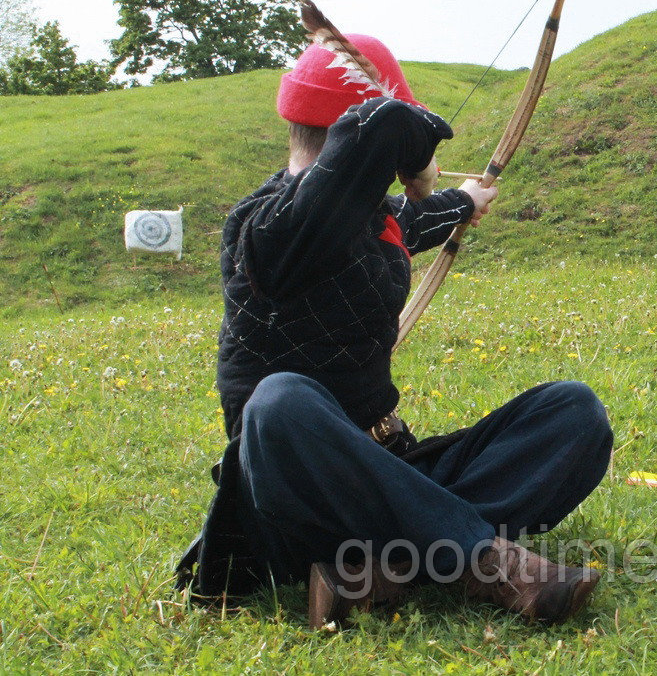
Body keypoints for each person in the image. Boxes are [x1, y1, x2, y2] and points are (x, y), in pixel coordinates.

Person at [175, 31, 614, 629]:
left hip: (391, 464)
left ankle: (377, 565)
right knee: (278, 402)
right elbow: (340, 185)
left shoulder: (368, 216)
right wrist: (409, 147)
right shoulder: (267, 227)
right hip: (298, 491)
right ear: (362, 141)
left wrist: (463, 199)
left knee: (572, 413)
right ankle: (489, 564)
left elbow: (408, 218)